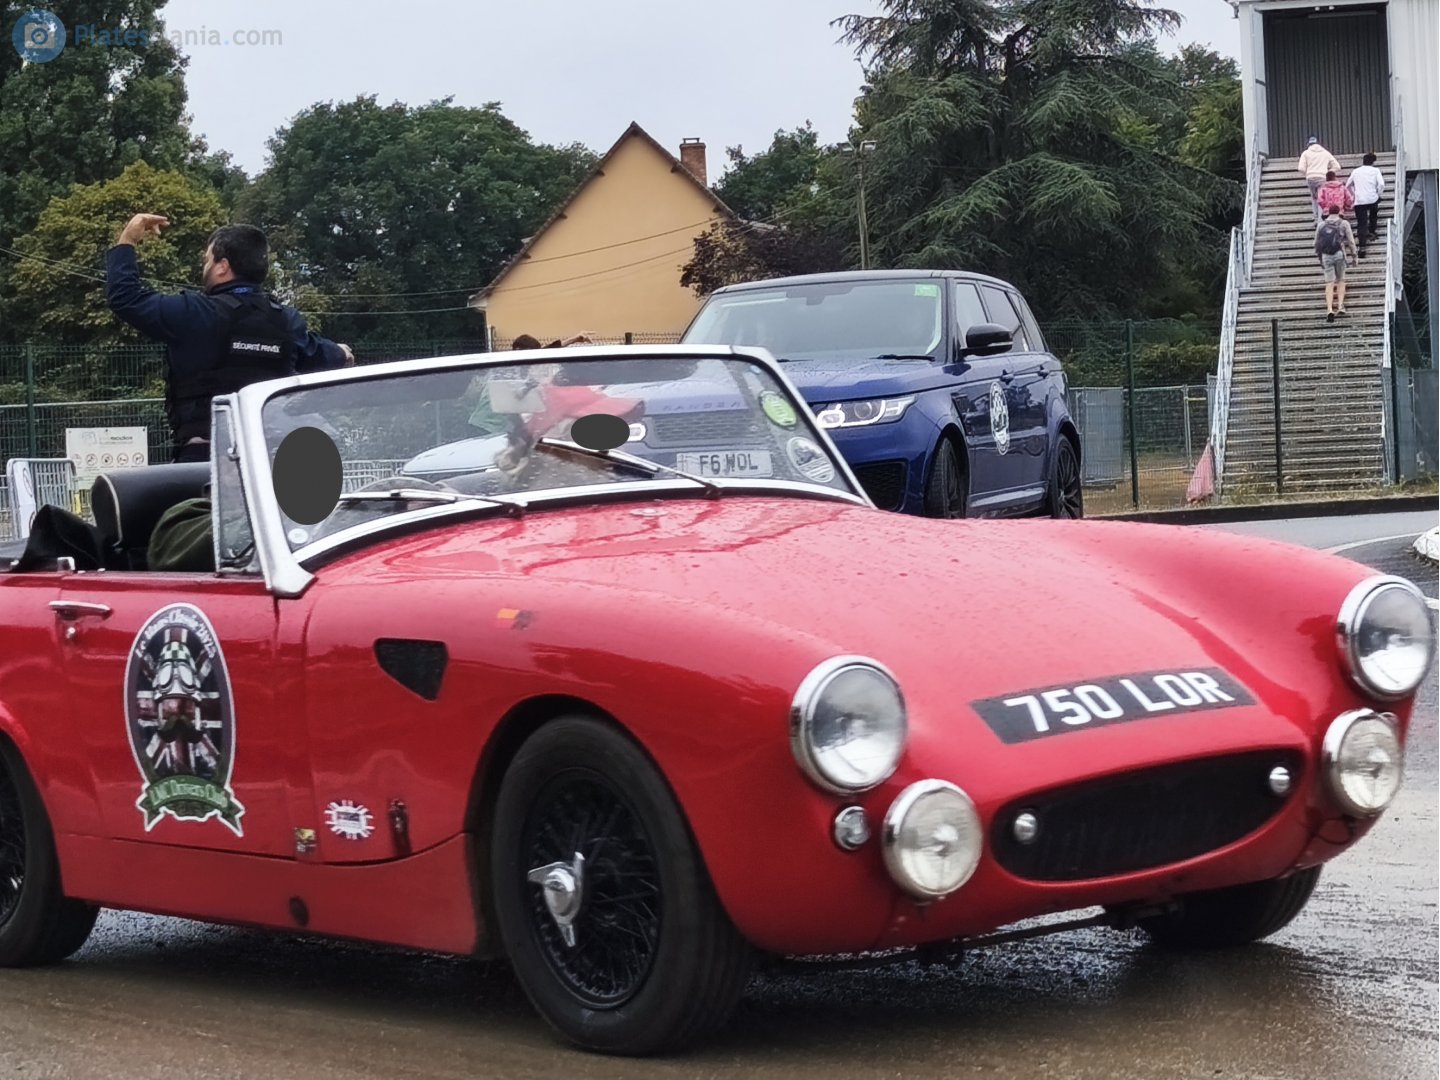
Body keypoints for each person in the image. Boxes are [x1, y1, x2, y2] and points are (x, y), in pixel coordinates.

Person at [106, 214, 355, 463]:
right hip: (267, 463)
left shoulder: (196, 313)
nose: (204, 267)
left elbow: (126, 297)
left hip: (205, 460)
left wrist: (127, 239)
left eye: (207, 260)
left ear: (223, 266)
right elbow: (319, 353)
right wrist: (342, 352)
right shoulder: (286, 322)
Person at [1315, 204, 1358, 322]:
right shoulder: (1344, 224)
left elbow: (1316, 243)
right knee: (1341, 280)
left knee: (1329, 282)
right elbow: (1351, 241)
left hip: (1326, 256)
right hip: (1339, 254)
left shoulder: (1321, 225)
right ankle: (1340, 306)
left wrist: (1320, 257)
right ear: (1339, 211)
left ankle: (1329, 309)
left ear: (1328, 212)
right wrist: (1354, 256)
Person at [1347, 152, 1386, 256]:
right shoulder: (1375, 171)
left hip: (1359, 200)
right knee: (1373, 213)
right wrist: (1378, 193)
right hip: (1372, 198)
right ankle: (1372, 231)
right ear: (1373, 162)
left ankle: (1362, 248)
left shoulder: (1356, 171)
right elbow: (1381, 184)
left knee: (1361, 223)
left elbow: (1348, 185)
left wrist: (1353, 193)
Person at [1298, 136, 1341, 225]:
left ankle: (1315, 218)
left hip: (1310, 178)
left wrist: (1307, 174)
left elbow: (1301, 168)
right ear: (1318, 143)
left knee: (1314, 198)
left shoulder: (1305, 153)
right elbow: (1337, 166)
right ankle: (1320, 220)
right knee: (1321, 199)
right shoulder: (1325, 153)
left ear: (1309, 144)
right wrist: (1328, 172)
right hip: (1322, 178)